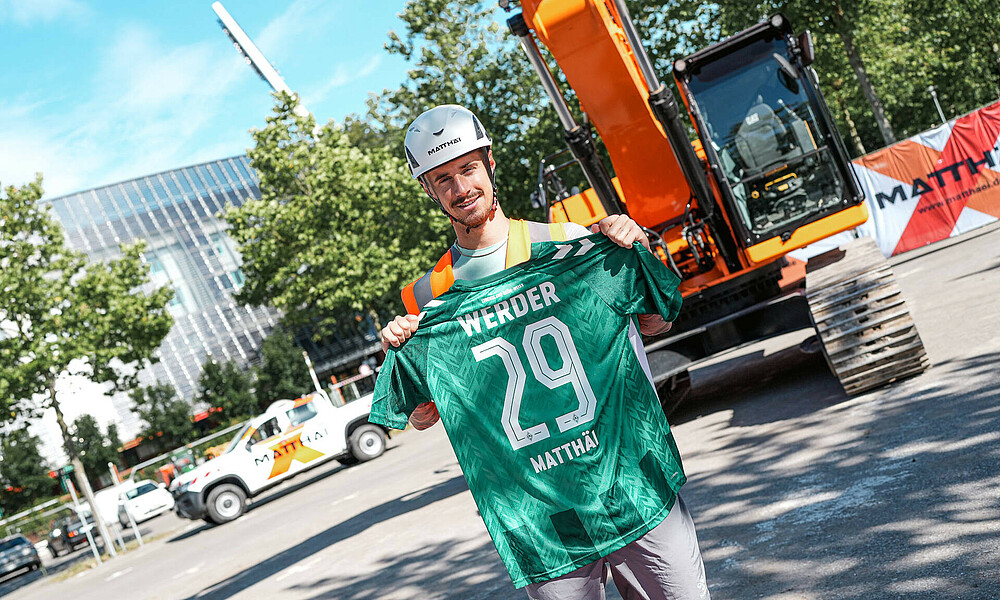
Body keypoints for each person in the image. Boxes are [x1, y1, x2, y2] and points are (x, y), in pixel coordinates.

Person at [371, 104, 709, 599]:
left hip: (628, 477)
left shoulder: (570, 244)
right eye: (443, 179)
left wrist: (635, 250)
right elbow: (423, 416)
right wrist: (400, 347)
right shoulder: (425, 298)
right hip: (539, 514)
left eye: (467, 169)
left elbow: (656, 322)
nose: (460, 188)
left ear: (489, 161)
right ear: (428, 189)